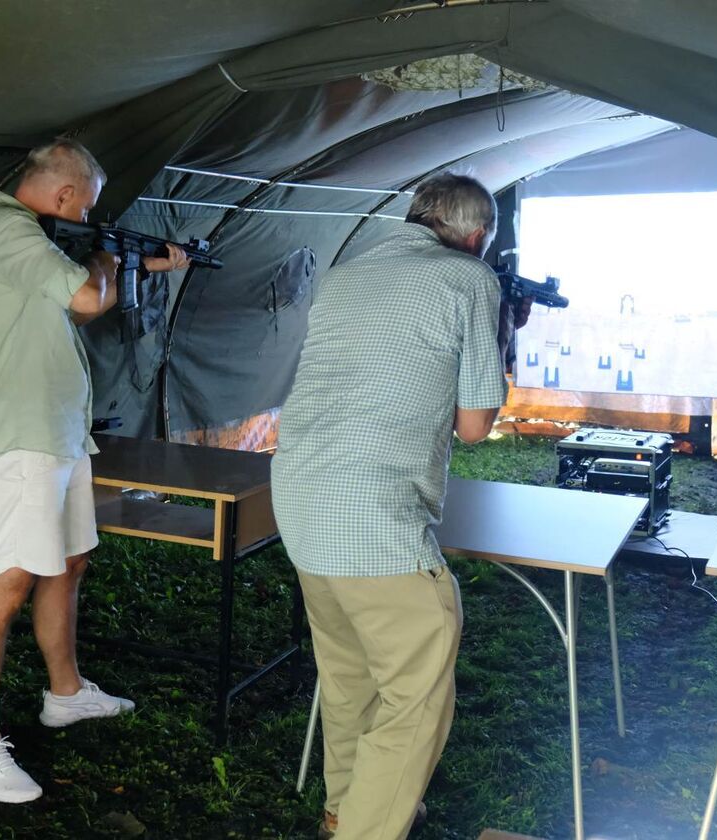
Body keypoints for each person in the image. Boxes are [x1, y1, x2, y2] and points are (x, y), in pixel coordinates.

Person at [272, 174, 526, 840]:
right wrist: (497, 333)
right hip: (374, 518)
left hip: (301, 502)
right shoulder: (472, 279)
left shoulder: (347, 271)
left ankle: (342, 811)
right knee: (418, 692)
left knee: (350, 677)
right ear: (476, 238)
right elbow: (475, 425)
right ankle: (363, 830)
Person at [0, 139, 190, 803]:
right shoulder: (4, 229)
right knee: (5, 585)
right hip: (23, 438)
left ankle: (65, 694)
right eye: (86, 206)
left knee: (67, 562)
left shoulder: (26, 235)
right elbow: (89, 298)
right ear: (63, 198)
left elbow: (87, 299)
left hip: (57, 433)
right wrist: (113, 256)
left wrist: (134, 264)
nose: (86, 216)